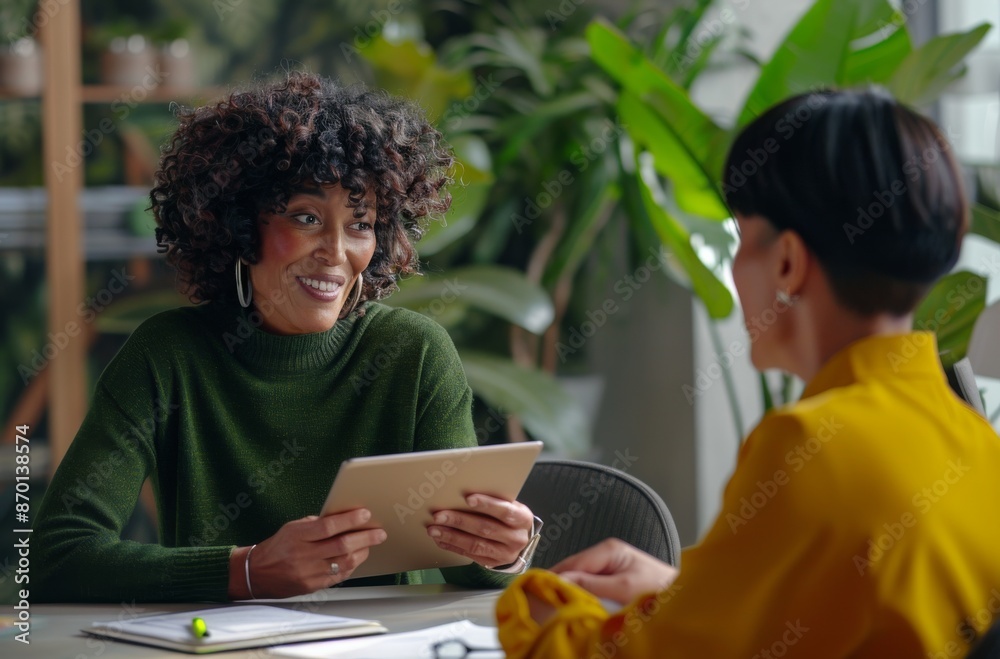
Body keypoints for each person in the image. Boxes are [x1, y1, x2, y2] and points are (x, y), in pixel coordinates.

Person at [495, 88, 1000, 657]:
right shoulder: (975, 443)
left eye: (740, 236)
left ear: (787, 261)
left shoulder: (810, 445)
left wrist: (534, 608)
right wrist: (682, 594)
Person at [33, 72, 538, 602]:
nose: (335, 251)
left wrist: (503, 549)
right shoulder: (166, 356)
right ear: (240, 226)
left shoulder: (413, 352)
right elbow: (56, 557)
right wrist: (245, 571)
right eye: (306, 217)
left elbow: (466, 564)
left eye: (360, 224)